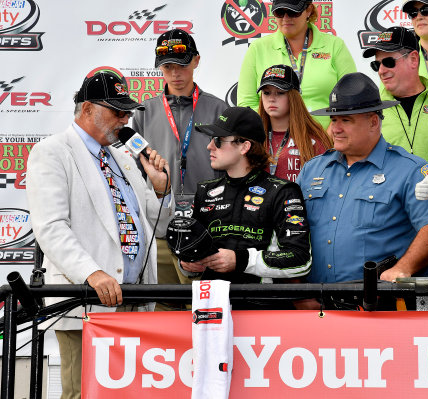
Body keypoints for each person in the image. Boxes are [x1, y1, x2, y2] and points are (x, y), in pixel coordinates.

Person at [26, 71, 174, 399]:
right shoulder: (52, 151)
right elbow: (50, 227)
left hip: (134, 299)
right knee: (82, 393)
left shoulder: (123, 157)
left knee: (128, 394)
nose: (125, 118)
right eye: (117, 110)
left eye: (127, 112)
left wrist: (160, 186)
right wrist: (91, 273)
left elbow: (158, 224)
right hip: (87, 302)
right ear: (89, 108)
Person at [297, 72, 428, 284]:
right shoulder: (312, 169)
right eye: (333, 119)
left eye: (346, 120)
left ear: (373, 122)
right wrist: (298, 291)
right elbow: (289, 232)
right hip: (316, 306)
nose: (335, 129)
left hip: (378, 306)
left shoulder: (410, 169)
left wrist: (404, 268)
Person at [132, 28, 228, 291]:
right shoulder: (143, 112)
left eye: (182, 65)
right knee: (161, 309)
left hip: (207, 228)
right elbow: (134, 174)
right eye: (168, 66)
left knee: (199, 309)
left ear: (196, 61)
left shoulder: (219, 109)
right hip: (158, 231)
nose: (175, 73)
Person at [180, 107, 311, 297]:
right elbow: (192, 253)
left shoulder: (282, 192)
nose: (210, 146)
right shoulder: (205, 191)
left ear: (244, 147)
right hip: (212, 306)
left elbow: (300, 261)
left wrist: (240, 260)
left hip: (261, 308)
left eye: (218, 140)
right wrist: (188, 263)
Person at [237, 0, 356, 129]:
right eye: (280, 12)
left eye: (293, 12)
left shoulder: (334, 45)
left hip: (327, 142)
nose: (286, 18)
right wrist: (274, 136)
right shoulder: (257, 49)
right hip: (274, 142)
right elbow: (246, 104)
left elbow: (352, 97)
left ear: (309, 10)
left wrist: (329, 137)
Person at [363, 26, 428, 162]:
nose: (381, 71)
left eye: (388, 62)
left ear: (413, 59)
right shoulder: (368, 109)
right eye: (376, 65)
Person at [257, 64, 332, 182]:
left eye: (280, 92)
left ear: (293, 96)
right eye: (266, 93)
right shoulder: (252, 138)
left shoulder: (315, 138)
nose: (271, 98)